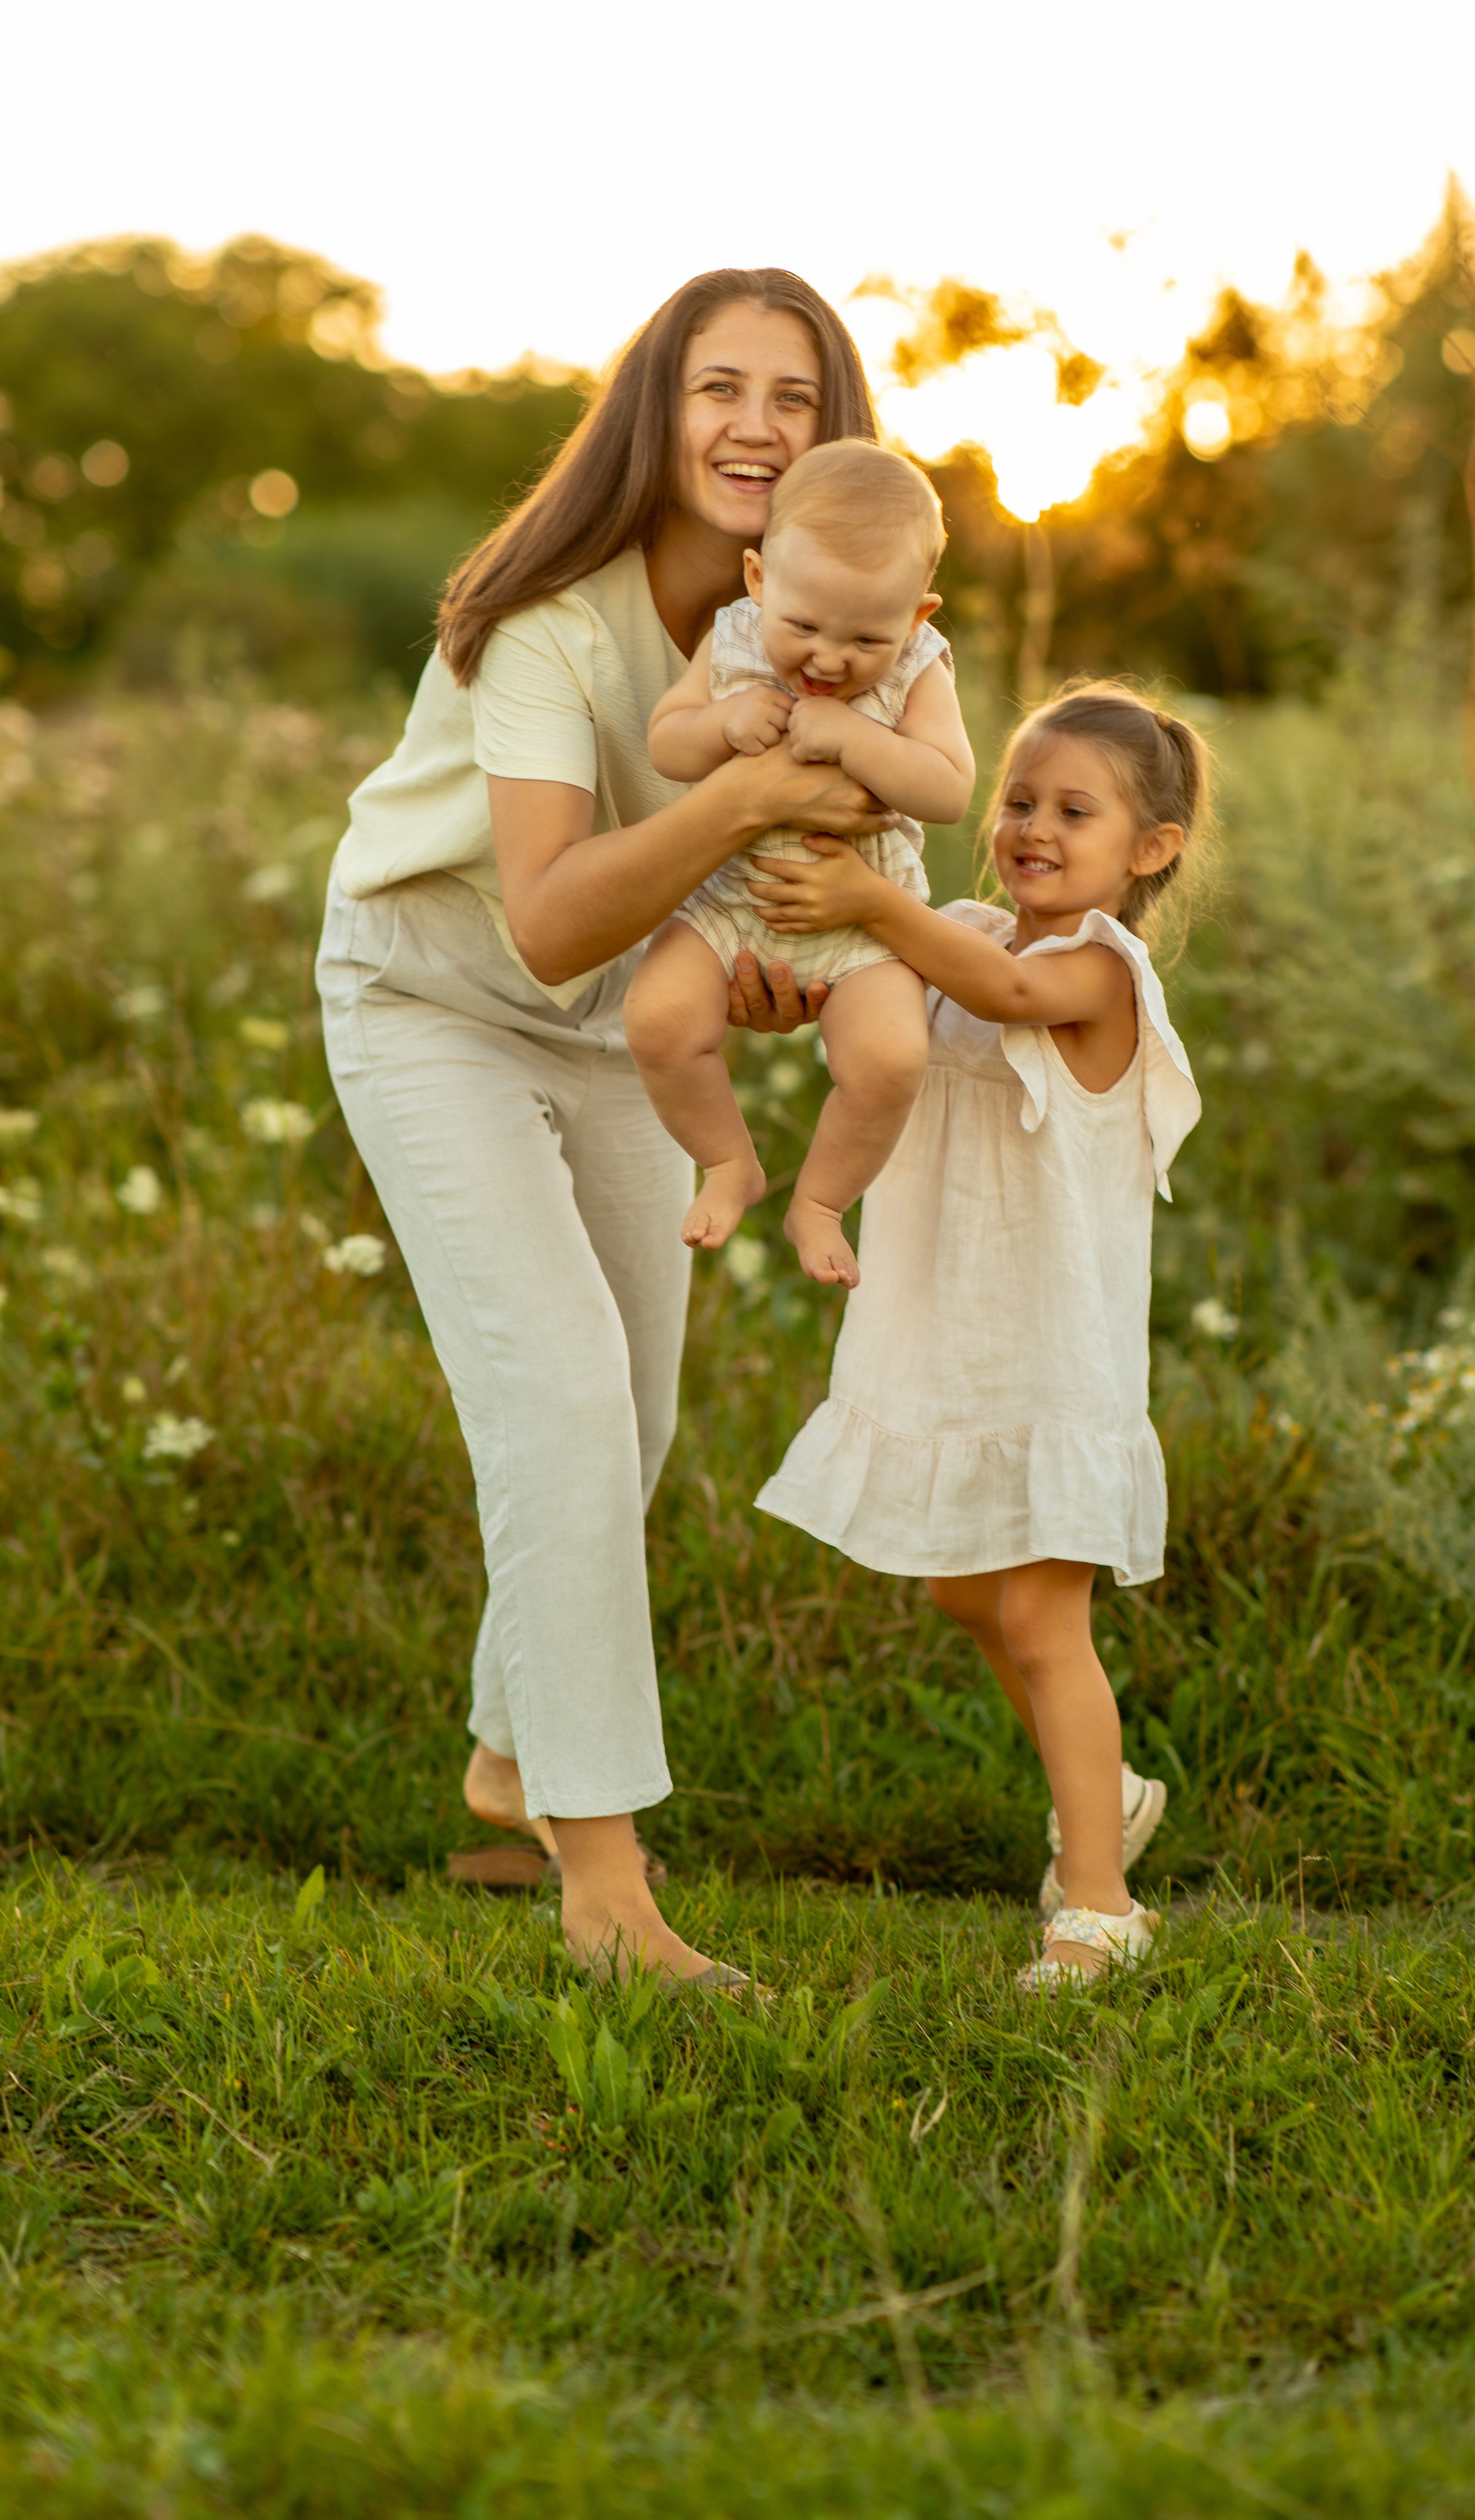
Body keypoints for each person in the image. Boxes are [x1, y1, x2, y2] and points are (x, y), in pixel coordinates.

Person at [315, 270, 895, 1988]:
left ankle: (509, 1754)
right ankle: (605, 1886)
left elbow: (815, 866)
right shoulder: (548, 625)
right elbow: (555, 917)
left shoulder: (819, 625)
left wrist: (793, 958)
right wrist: (738, 802)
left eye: (794, 397)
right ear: (658, 413)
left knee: (627, 1422)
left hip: (616, 1040)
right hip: (437, 1006)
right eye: (719, 388)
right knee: (561, 1395)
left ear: (833, 435)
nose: (755, 426)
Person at [750, 681, 1208, 1988]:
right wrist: (796, 975)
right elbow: (892, 1000)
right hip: (949, 1333)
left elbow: (1004, 990)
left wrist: (871, 909)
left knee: (1039, 1612)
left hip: (1055, 1352)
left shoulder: (1096, 972)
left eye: (1074, 811)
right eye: (1016, 801)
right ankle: (1101, 1789)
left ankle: (1100, 1907)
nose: (1031, 828)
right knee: (964, 1587)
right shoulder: (949, 929)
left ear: (1147, 849)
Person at [625, 440, 974, 1286]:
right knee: (658, 1020)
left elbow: (949, 789)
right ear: (757, 582)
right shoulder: (735, 640)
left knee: (889, 1060)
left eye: (867, 637)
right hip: (730, 902)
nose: (828, 658)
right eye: (804, 627)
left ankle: (819, 1201)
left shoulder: (920, 670)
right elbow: (667, 743)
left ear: (920, 616)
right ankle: (727, 1161)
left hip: (864, 920)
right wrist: (721, 723)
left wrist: (860, 735)